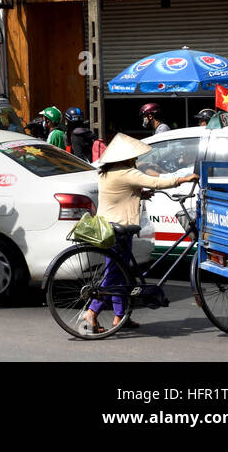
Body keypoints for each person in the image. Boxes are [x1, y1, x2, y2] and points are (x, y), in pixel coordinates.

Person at [83, 134, 197, 334]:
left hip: (108, 226)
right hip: (118, 227)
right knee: (114, 274)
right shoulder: (126, 173)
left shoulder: (107, 172)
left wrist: (139, 194)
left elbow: (118, 193)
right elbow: (156, 182)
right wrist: (183, 179)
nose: (135, 160)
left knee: (120, 273)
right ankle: (92, 311)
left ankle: (120, 316)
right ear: (125, 157)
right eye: (133, 157)